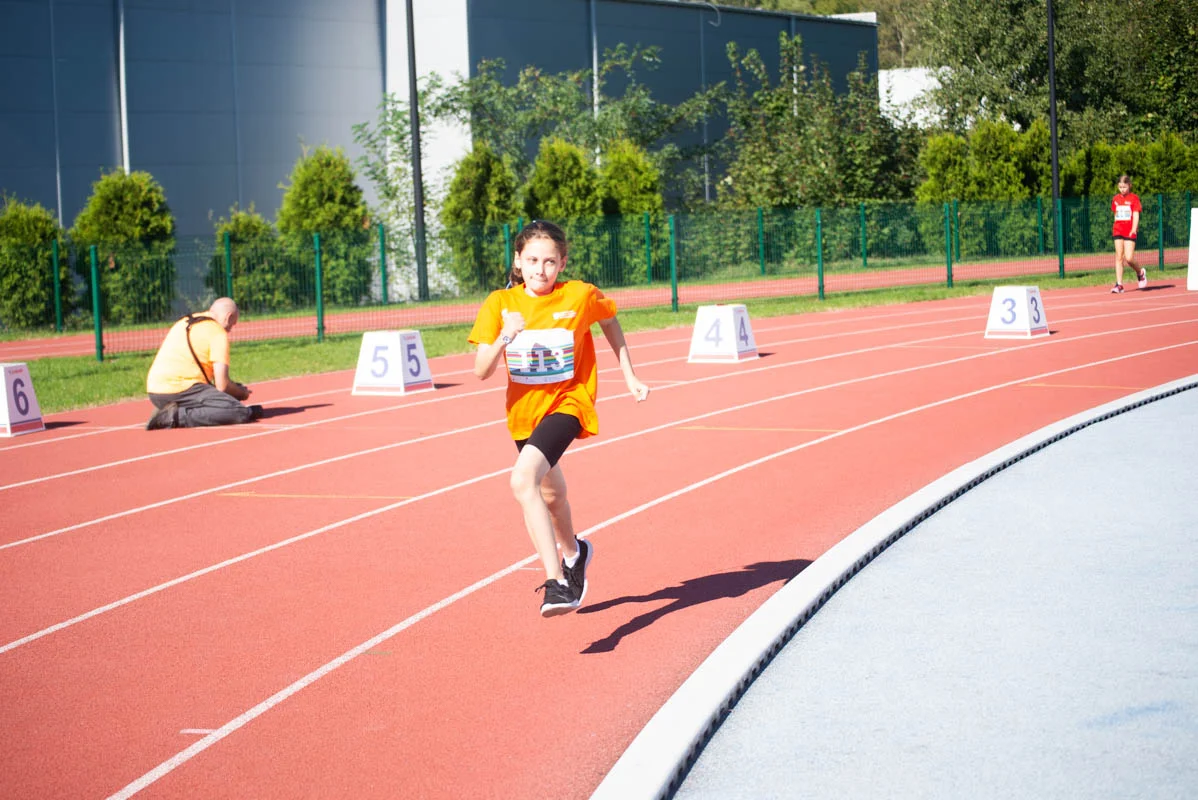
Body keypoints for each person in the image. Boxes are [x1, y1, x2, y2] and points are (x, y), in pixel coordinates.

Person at [468, 220, 650, 618]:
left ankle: (557, 583)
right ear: (518, 261)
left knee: (522, 480)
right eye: (532, 260)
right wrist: (504, 336)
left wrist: (629, 374)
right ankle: (575, 552)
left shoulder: (579, 295)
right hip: (524, 415)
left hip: (569, 403)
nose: (541, 270)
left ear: (563, 262)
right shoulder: (501, 304)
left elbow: (610, 321)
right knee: (551, 497)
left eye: (550, 262)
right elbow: (481, 370)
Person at [144, 297, 263, 430]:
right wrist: (241, 393)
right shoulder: (217, 333)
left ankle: (169, 410)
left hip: (155, 391)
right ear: (228, 317)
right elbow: (222, 385)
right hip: (181, 388)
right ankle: (174, 416)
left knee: (219, 399)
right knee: (238, 412)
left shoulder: (185, 321)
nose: (230, 329)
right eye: (232, 324)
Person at [1110, 174, 1146, 294]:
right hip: (1118, 230)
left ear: (1129, 186)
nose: (1122, 189)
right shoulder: (1115, 199)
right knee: (1119, 257)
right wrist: (1115, 226)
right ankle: (1119, 284)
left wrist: (1134, 228)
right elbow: (1115, 214)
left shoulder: (1134, 198)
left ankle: (1140, 273)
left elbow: (1136, 214)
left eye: (1124, 187)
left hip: (1130, 230)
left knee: (1129, 258)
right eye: (1120, 187)